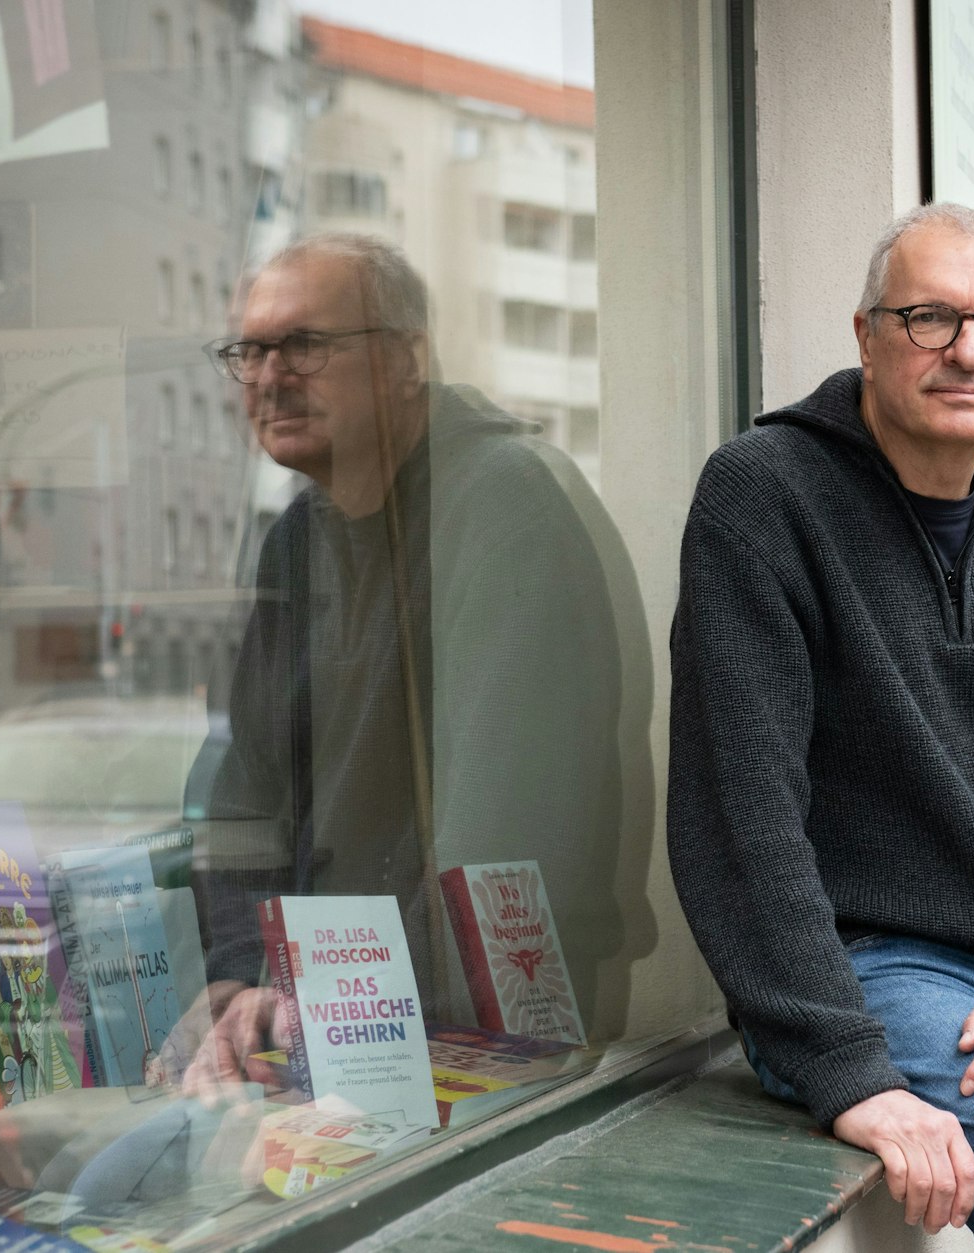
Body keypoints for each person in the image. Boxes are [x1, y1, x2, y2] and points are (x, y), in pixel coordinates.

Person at [667, 203, 974, 1251]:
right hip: (865, 967)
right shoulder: (761, 496)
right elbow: (739, 808)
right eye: (928, 318)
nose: (967, 352)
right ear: (864, 334)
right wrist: (842, 1062)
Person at [174, 233, 649, 1089]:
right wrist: (241, 980)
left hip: (478, 1041)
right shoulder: (295, 540)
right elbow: (246, 803)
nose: (271, 376)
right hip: (324, 1021)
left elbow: (499, 860)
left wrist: (304, 1002)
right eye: (250, 350)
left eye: (306, 345)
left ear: (405, 360)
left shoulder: (507, 508)